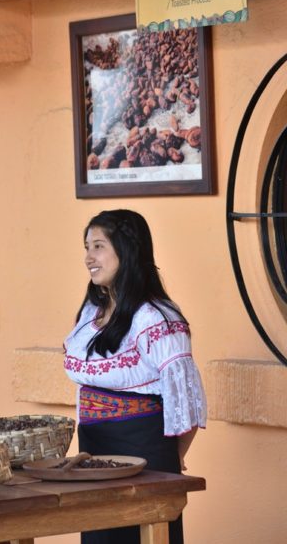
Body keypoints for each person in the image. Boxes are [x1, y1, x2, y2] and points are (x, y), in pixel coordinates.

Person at [63, 209, 206, 544]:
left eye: (98, 246)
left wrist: (173, 456)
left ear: (126, 251)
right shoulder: (92, 313)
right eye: (86, 247)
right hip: (95, 451)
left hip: (144, 455)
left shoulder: (155, 317)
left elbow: (185, 398)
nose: (88, 258)